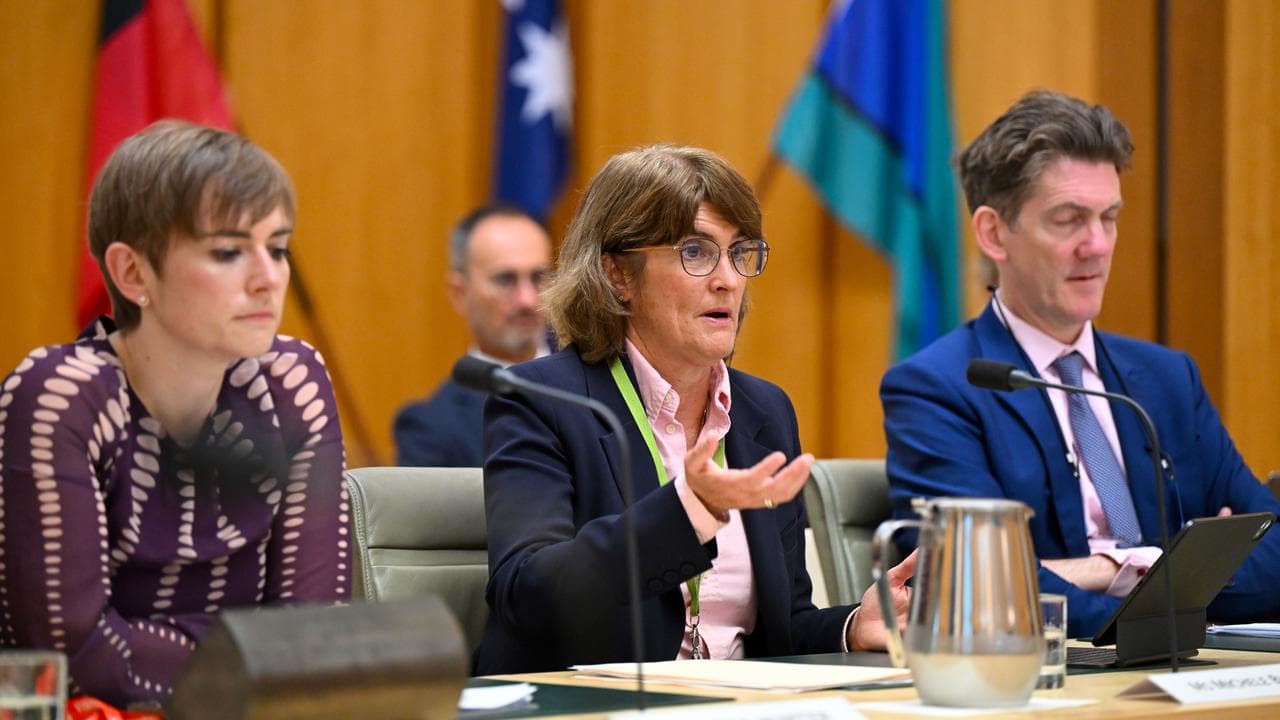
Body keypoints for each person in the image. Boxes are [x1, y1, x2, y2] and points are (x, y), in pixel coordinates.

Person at [473, 144, 915, 674]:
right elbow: (528, 593)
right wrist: (685, 511)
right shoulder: (543, 400)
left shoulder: (763, 411)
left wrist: (851, 627)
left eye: (739, 252)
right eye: (696, 252)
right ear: (618, 274)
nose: (728, 278)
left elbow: (781, 628)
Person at [881, 89, 1280, 639]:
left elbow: (1274, 550)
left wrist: (1116, 571)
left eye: (1109, 218)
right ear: (994, 233)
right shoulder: (938, 389)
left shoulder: (1168, 380)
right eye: (1069, 220)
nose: (1097, 245)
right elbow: (980, 588)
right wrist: (1187, 580)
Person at [0, 121, 349, 706]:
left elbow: (312, 641)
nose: (269, 279)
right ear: (134, 273)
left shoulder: (292, 383)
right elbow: (75, 662)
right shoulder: (59, 397)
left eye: (279, 247)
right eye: (228, 252)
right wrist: (256, 659)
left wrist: (153, 648)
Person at [393, 204, 552, 467]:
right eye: (505, 280)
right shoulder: (431, 429)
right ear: (459, 293)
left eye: (538, 277)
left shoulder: (597, 388)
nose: (528, 300)